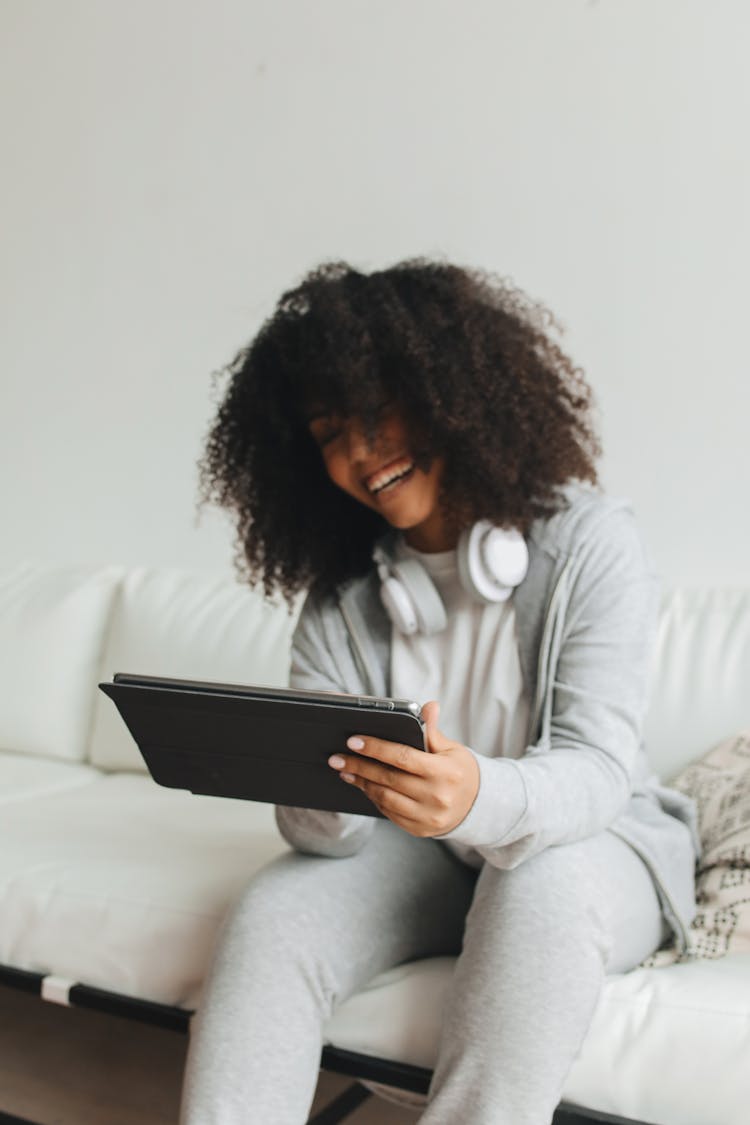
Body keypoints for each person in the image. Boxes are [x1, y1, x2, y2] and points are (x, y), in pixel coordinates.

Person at [180, 259, 698, 1125]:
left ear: (449, 391)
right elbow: (323, 837)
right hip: (419, 856)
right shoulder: (345, 596)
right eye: (328, 433)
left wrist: (477, 794)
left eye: (377, 412)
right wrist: (307, 783)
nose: (357, 454)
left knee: (535, 883)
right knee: (274, 910)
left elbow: (599, 767)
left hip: (592, 843)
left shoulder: (590, 542)